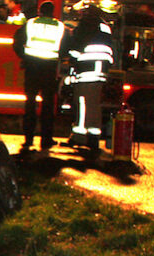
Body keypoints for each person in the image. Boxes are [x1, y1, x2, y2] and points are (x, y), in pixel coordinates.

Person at [13, 1, 67, 151]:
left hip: (32, 68)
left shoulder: (30, 24)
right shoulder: (60, 27)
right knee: (48, 105)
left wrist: (25, 57)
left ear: (40, 11)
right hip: (49, 69)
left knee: (30, 104)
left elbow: (17, 42)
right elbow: (65, 48)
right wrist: (58, 58)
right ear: (53, 12)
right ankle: (46, 140)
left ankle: (28, 139)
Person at [67, 5, 114, 151]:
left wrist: (70, 57)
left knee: (82, 103)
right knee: (94, 105)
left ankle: (80, 136)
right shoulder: (104, 26)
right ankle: (93, 138)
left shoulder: (87, 24)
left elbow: (77, 46)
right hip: (101, 70)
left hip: (88, 69)